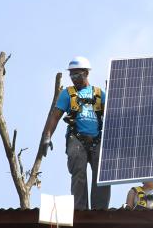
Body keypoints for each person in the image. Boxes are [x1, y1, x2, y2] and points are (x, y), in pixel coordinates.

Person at [41, 56, 110, 210]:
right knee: (78, 173)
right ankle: (80, 210)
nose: (74, 78)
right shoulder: (68, 94)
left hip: (97, 138)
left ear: (86, 73)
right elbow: (55, 116)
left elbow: (112, 116)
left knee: (102, 174)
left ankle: (100, 211)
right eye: (71, 75)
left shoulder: (99, 93)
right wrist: (47, 137)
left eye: (77, 74)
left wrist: (114, 99)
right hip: (76, 138)